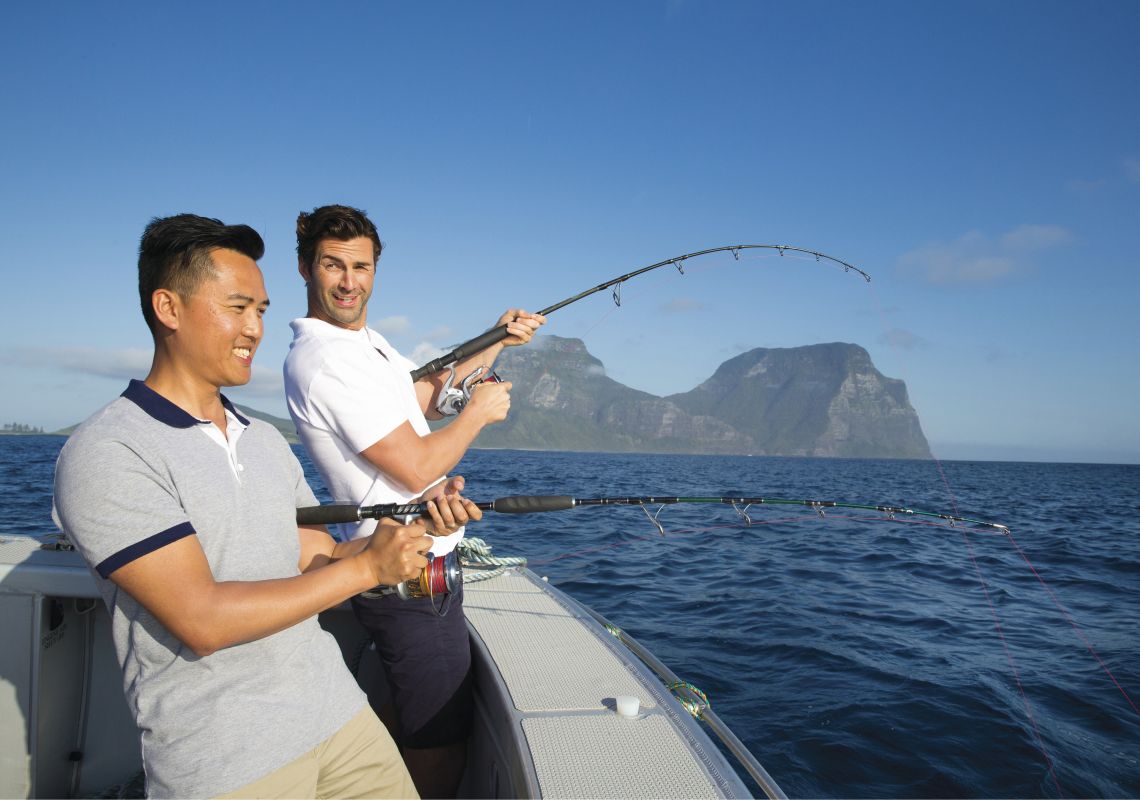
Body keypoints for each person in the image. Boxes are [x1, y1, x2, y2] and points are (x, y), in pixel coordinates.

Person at [53, 213, 481, 799]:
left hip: (339, 719)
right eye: (236, 307)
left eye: (260, 309)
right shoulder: (110, 450)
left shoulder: (260, 439)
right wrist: (365, 569)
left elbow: (317, 556)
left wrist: (406, 533)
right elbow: (200, 620)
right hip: (228, 757)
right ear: (168, 309)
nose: (255, 328)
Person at [283, 205, 545, 798]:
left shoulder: (362, 346)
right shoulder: (325, 360)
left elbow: (424, 400)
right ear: (305, 268)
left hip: (414, 562)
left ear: (375, 270)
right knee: (438, 738)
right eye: (333, 265)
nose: (349, 281)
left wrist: (496, 342)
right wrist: (478, 415)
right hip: (407, 577)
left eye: (361, 266)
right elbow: (417, 461)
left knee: (423, 722)